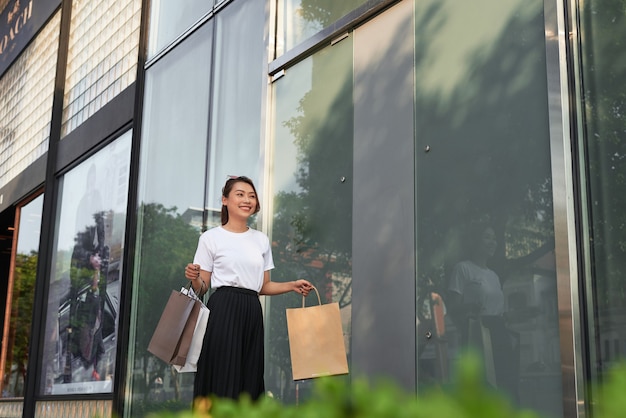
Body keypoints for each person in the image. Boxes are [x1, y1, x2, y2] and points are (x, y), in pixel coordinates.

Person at [184, 176, 313, 402]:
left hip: (252, 310)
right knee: (223, 374)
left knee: (249, 377)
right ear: (225, 200)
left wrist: (292, 285)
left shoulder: (261, 240)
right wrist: (194, 277)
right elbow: (202, 288)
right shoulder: (210, 238)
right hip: (223, 309)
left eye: (252, 196)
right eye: (240, 194)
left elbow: (263, 286)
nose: (247, 200)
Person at [446, 222, 518, 400]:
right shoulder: (463, 268)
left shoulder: (494, 276)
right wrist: (470, 307)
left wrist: (508, 316)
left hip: (499, 331)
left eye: (494, 238)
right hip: (477, 332)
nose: (492, 242)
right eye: (487, 237)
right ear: (474, 241)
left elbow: (497, 310)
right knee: (483, 386)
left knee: (505, 383)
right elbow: (453, 308)